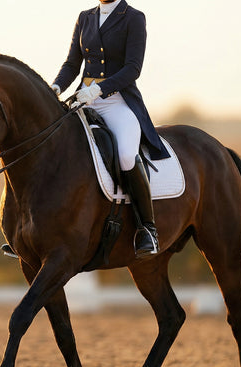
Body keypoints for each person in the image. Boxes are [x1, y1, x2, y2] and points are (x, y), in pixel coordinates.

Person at [51, 0, 165, 258]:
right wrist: (56, 87)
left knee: (126, 154)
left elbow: (133, 69)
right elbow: (72, 64)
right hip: (83, 99)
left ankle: (148, 229)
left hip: (117, 102)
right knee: (52, 145)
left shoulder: (133, 17)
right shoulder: (85, 17)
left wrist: (100, 89)